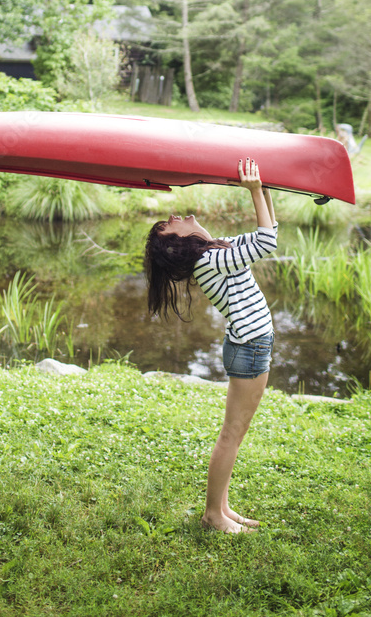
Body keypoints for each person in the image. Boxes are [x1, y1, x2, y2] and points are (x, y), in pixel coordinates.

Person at [144, 156, 277, 534]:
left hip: (251, 345)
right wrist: (254, 191)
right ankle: (212, 516)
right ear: (178, 241)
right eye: (168, 224)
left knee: (236, 433)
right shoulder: (210, 260)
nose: (174, 214)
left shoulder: (216, 250)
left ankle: (222, 506)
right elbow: (267, 241)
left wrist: (266, 189)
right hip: (250, 348)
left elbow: (267, 232)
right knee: (232, 434)